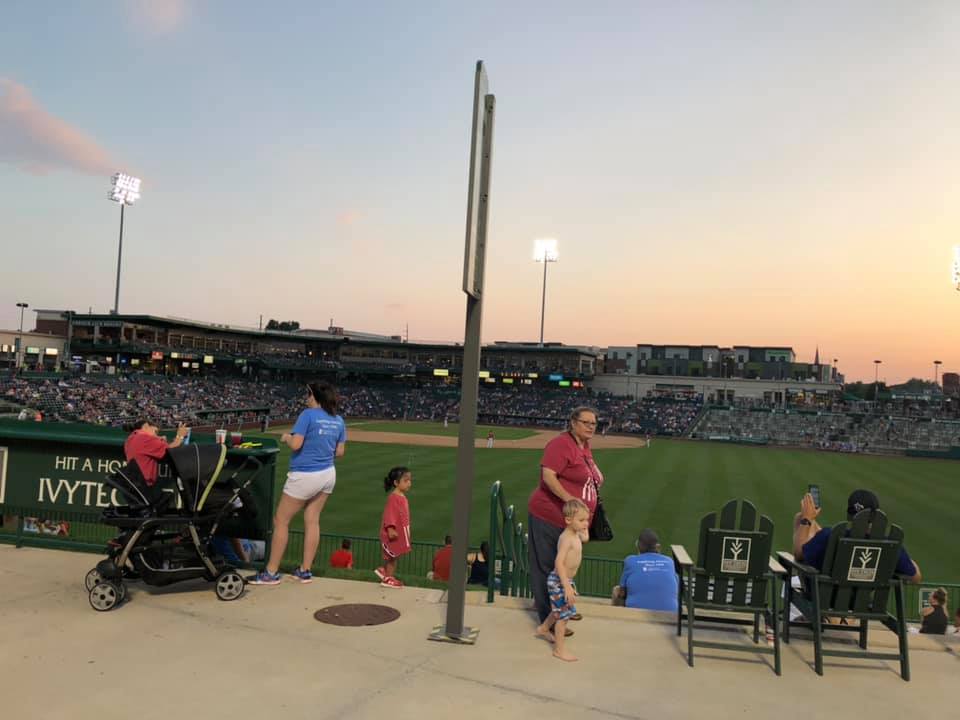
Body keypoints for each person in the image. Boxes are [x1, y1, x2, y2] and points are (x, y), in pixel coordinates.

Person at [249, 382, 346, 586]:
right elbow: (340, 452)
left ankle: (271, 571)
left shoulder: (307, 415)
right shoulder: (338, 420)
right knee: (312, 519)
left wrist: (286, 438)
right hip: (328, 473)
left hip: (304, 474)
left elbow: (296, 444)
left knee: (281, 520)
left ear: (314, 396)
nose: (306, 398)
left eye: (308, 394)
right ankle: (305, 570)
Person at [528, 406, 604, 634]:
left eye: (594, 423)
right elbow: (548, 476)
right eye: (586, 422)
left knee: (567, 567)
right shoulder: (561, 444)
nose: (591, 426)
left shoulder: (584, 446)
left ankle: (562, 607)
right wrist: (572, 499)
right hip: (549, 514)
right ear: (573, 422)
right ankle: (550, 620)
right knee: (548, 567)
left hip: (570, 523)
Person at [792, 488, 922, 583]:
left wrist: (807, 520)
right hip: (863, 603)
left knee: (801, 518)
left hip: (823, 599)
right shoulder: (891, 545)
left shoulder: (829, 536)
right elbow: (916, 577)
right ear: (877, 515)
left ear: (849, 516)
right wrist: (905, 557)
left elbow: (799, 553)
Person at [535, 499, 590, 662]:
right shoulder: (566, 538)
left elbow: (584, 538)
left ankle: (544, 629)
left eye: (586, 520)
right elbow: (559, 562)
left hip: (565, 580)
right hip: (560, 580)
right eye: (581, 520)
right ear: (568, 520)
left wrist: (584, 528)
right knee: (563, 616)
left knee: (559, 609)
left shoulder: (576, 534)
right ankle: (559, 650)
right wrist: (566, 586)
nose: (585, 523)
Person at [612, 529, 678, 612]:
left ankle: (618, 619)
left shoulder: (630, 560)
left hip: (635, 613)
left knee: (616, 590)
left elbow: (622, 592)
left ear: (638, 545)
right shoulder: (669, 561)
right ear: (657, 546)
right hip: (671, 614)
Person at [124, 418, 190, 487]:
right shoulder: (145, 438)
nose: (156, 436)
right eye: (155, 432)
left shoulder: (130, 438)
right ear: (146, 426)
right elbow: (171, 451)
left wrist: (159, 439)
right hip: (144, 486)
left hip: (134, 485)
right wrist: (180, 436)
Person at [376, 466, 412, 589]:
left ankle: (384, 571)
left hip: (399, 531)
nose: (409, 483)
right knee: (393, 557)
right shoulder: (394, 498)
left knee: (392, 555)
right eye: (405, 480)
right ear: (396, 483)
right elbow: (389, 514)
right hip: (392, 533)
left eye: (410, 480)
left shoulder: (400, 497)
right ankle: (388, 578)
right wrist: (391, 529)